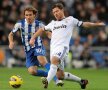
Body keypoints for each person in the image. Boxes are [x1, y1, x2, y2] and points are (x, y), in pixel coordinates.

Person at [29, 3, 105, 89]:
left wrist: (96, 24)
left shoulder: (70, 20)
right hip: (53, 49)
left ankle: (47, 81)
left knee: (54, 60)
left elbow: (84, 24)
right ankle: (82, 82)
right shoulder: (53, 23)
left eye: (57, 11)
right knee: (60, 75)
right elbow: (42, 30)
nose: (56, 13)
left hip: (63, 48)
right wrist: (32, 38)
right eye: (54, 12)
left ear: (62, 10)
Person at [8, 5, 63, 86]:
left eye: (30, 15)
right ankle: (51, 74)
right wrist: (11, 42)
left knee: (42, 61)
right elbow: (11, 34)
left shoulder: (40, 24)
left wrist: (53, 38)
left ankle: (56, 80)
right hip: (28, 50)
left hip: (38, 45)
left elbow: (48, 33)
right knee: (32, 71)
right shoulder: (19, 24)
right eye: (26, 15)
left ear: (34, 15)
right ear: (24, 15)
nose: (28, 17)